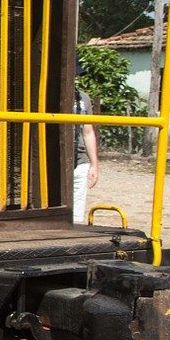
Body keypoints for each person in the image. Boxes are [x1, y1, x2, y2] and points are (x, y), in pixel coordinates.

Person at [73, 66, 99, 224]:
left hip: (81, 161)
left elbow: (88, 131)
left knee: (77, 217)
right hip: (58, 163)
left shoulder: (83, 98)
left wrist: (94, 165)